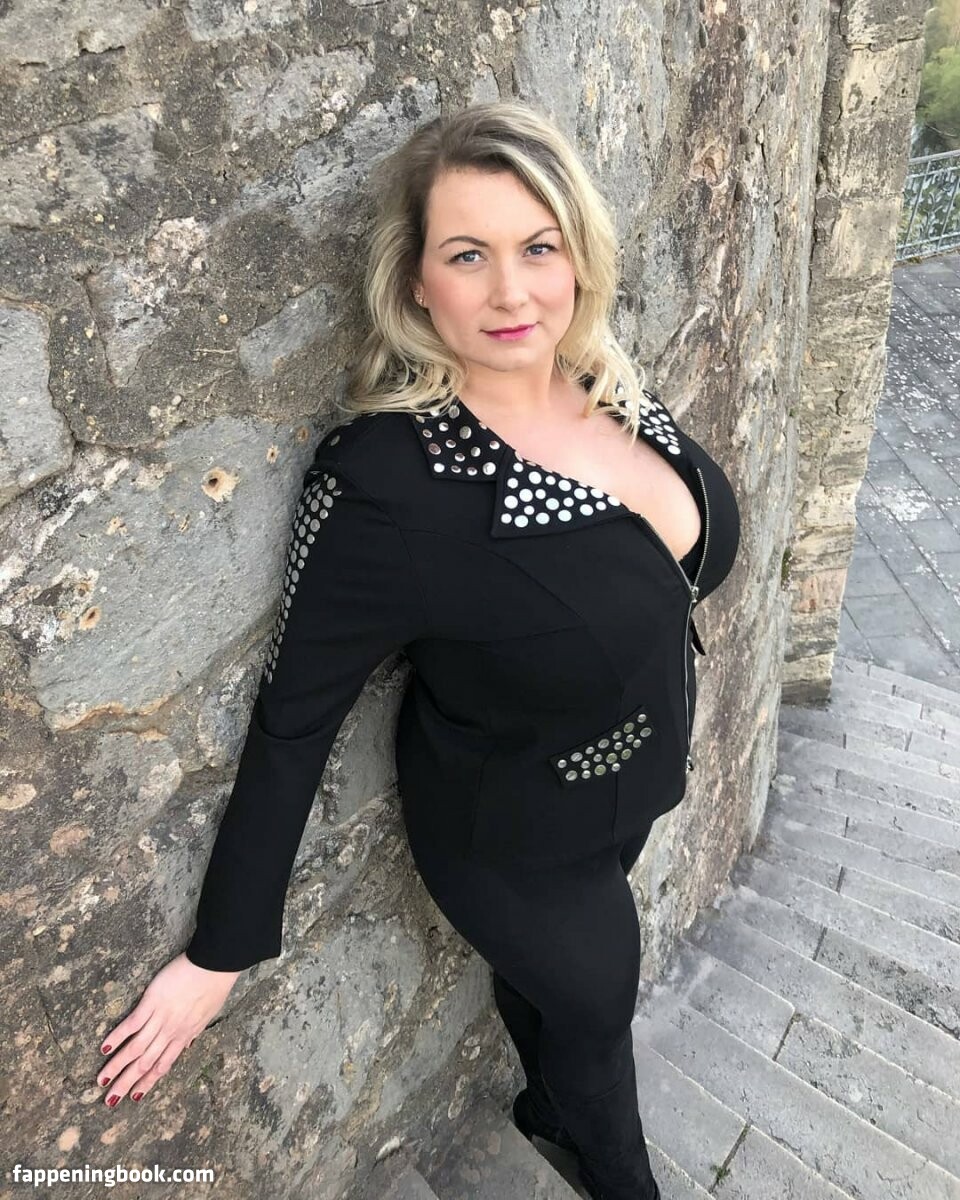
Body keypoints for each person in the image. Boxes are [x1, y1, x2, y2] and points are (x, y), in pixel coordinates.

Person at [93, 100, 740, 1200]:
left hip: (624, 794)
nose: (513, 292)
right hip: (513, 846)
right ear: (415, 282)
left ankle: (546, 1105)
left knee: (555, 1001)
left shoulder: (607, 382)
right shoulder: (386, 484)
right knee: (597, 1015)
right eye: (468, 255)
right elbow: (295, 719)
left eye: (540, 247)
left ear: (580, 255)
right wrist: (221, 950)